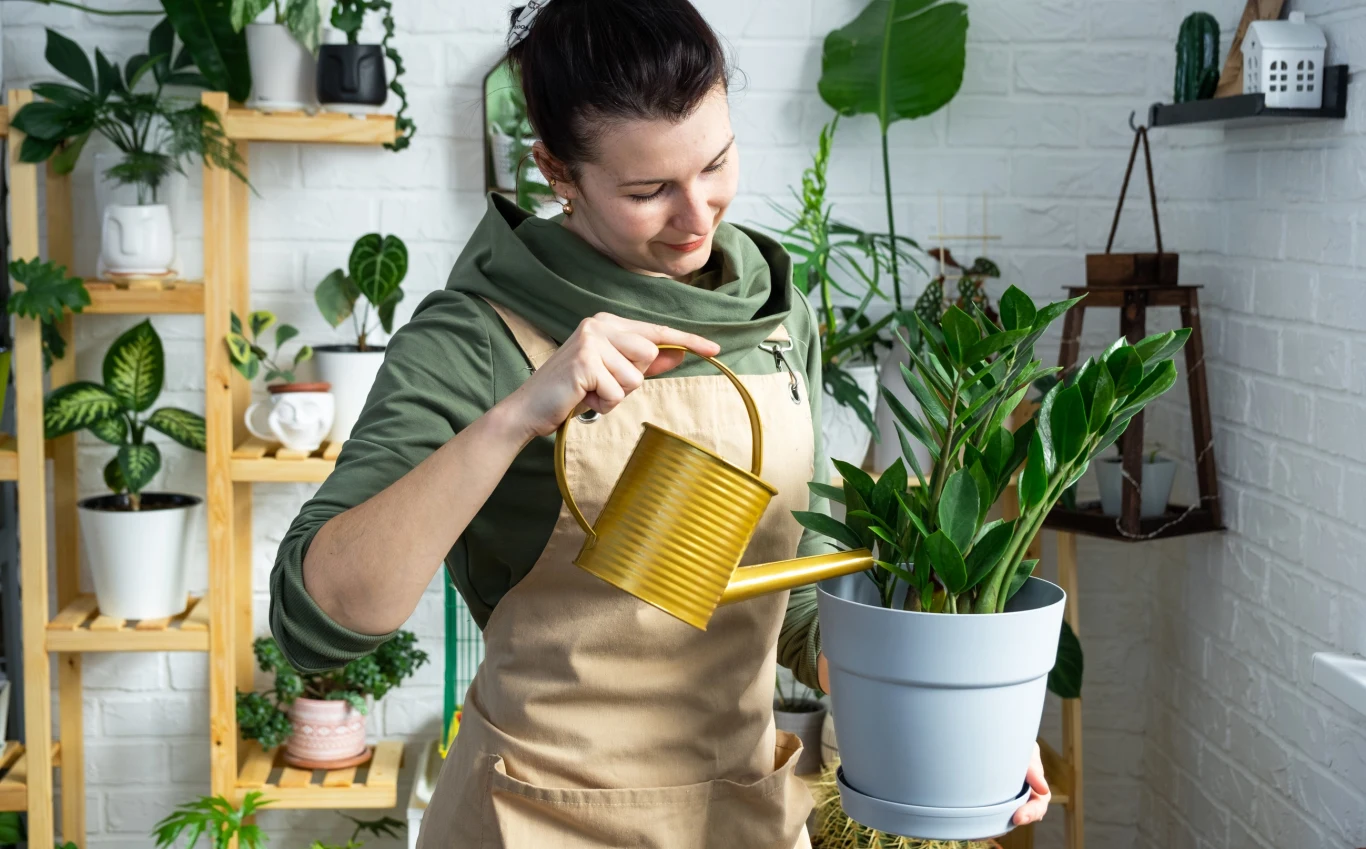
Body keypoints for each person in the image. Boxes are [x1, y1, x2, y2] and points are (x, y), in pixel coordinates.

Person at [268, 1, 1050, 846]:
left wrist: (962, 732)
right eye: (648, 191)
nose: (698, 214)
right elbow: (320, 618)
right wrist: (517, 418)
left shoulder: (778, 323)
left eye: (715, 163)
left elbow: (797, 609)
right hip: (539, 819)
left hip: (739, 814)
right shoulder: (476, 335)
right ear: (558, 172)